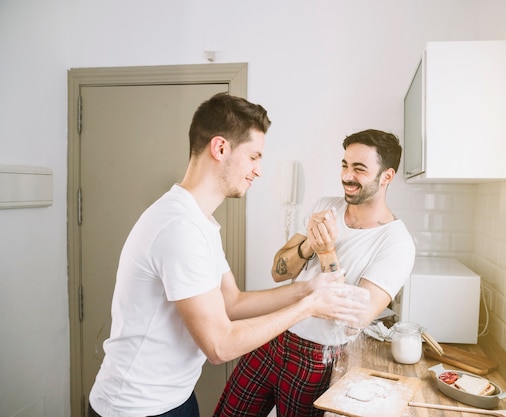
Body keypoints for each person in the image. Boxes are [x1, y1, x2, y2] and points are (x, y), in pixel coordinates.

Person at [87, 93, 369, 417]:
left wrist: (308, 288)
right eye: (253, 157)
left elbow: (232, 302)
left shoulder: (201, 222)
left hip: (175, 398)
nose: (258, 171)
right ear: (220, 148)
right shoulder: (179, 227)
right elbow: (220, 345)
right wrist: (308, 307)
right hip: (133, 408)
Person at [214, 129, 416, 417]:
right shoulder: (325, 206)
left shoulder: (396, 243)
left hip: (318, 357)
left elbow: (355, 319)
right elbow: (278, 271)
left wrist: (327, 253)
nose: (347, 176)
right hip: (273, 331)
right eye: (345, 165)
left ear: (387, 176)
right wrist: (309, 244)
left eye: (359, 169)